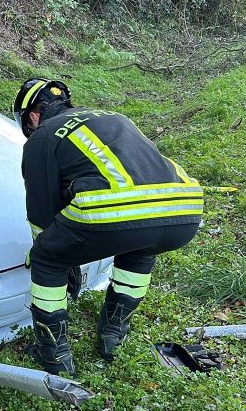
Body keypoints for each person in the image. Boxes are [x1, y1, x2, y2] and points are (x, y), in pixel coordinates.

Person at [11, 79, 204, 375]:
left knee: (46, 259)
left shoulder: (44, 136)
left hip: (115, 214)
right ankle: (114, 331)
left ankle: (53, 354)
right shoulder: (113, 116)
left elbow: (41, 212)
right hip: (185, 209)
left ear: (33, 115)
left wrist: (55, 252)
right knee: (139, 246)